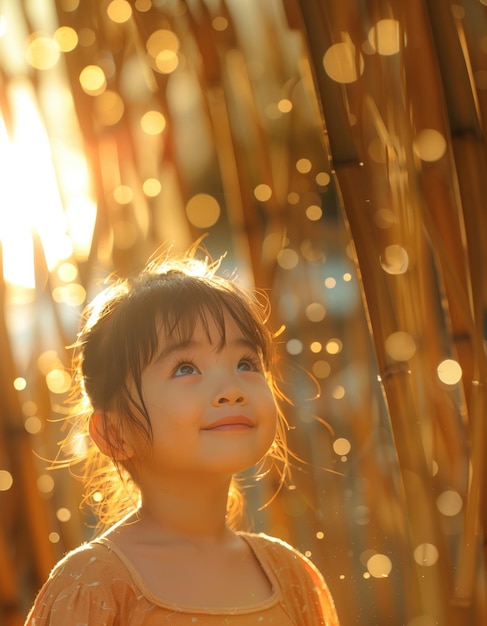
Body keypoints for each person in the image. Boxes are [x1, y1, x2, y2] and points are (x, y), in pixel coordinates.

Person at [24, 245, 340, 625]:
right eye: (186, 368)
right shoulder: (94, 585)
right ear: (113, 433)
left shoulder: (290, 576)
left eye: (245, 363)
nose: (232, 388)